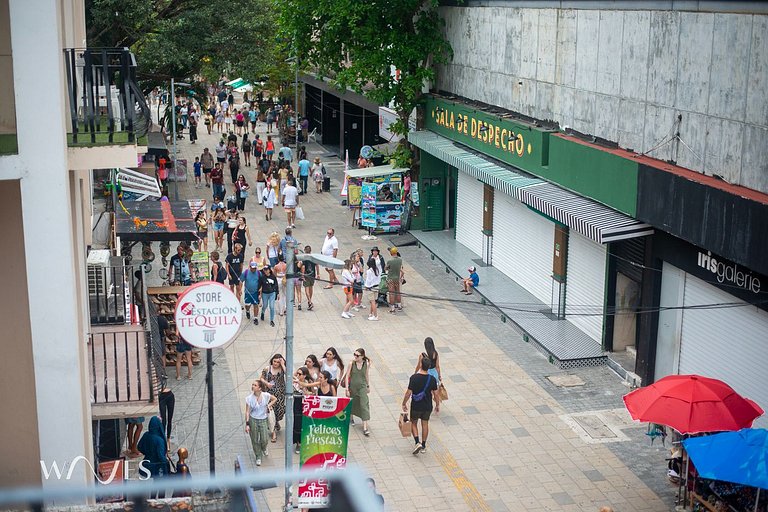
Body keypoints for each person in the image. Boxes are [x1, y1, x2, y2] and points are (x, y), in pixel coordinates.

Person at [402, 356, 440, 455]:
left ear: (421, 365)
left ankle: (416, 442)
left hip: (416, 406)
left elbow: (408, 393)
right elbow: (436, 394)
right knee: (425, 424)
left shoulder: (414, 378)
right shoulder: (432, 379)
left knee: (413, 423)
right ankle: (423, 445)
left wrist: (404, 403)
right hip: (427, 406)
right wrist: (437, 404)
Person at [245, 380, 276, 467]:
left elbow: (274, 399)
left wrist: (269, 405)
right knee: (254, 439)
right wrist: (247, 424)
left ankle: (264, 447)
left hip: (263, 419)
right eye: (252, 385)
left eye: (255, 385)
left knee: (265, 439)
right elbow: (247, 412)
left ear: (259, 388)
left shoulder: (266, 395)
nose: (253, 386)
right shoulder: (249, 398)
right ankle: (258, 456)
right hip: (253, 419)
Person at [261, 354, 287, 442]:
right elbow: (261, 378)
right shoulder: (267, 369)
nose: (275, 363)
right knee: (271, 412)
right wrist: (266, 384)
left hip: (280, 394)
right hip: (270, 394)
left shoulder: (282, 369)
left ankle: (277, 422)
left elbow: (289, 375)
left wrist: (283, 365)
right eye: (274, 361)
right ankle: (273, 432)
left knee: (280, 410)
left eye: (278, 362)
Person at [345, 348, 371, 436]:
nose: (355, 357)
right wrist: (347, 389)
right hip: (353, 387)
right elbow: (347, 375)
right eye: (354, 354)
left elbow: (366, 375)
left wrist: (368, 385)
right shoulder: (351, 364)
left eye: (357, 355)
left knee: (364, 405)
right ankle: (351, 417)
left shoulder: (366, 364)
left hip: (362, 387)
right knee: (353, 402)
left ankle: (365, 427)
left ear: (362, 356)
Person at [137, 417, 170, 484]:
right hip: (158, 465)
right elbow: (160, 455)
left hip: (148, 462)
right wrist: (166, 462)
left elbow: (139, 447)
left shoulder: (146, 435)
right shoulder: (159, 440)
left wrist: (147, 452)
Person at [292, 367, 314, 454]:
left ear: (305, 375)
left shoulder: (309, 383)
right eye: (297, 373)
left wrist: (304, 388)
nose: (298, 375)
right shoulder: (295, 382)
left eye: (300, 374)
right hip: (297, 404)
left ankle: (307, 441)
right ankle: (298, 443)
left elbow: (312, 393)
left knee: (307, 423)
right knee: (297, 423)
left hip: (307, 404)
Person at [386, 247, 404, 313]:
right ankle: (399, 306)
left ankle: (392, 308)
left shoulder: (390, 261)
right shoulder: (400, 260)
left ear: (391, 253)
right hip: (397, 278)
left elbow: (386, 268)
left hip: (390, 278)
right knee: (398, 292)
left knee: (391, 293)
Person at [300, 245, 316, 311]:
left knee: (306, 288)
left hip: (307, 275)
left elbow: (303, 267)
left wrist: (302, 275)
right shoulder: (313, 257)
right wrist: (318, 274)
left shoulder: (305, 258)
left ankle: (309, 301)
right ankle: (309, 301)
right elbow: (316, 265)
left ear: (305, 250)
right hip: (312, 274)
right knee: (311, 287)